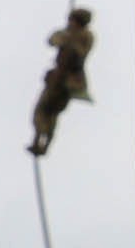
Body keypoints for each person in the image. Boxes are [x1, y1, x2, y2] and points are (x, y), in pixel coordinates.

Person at [28, 8, 97, 158]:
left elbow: (66, 47)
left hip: (62, 81)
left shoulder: (79, 36)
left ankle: (41, 141)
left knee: (43, 111)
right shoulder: (83, 36)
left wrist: (66, 37)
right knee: (50, 113)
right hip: (68, 81)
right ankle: (41, 141)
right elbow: (52, 40)